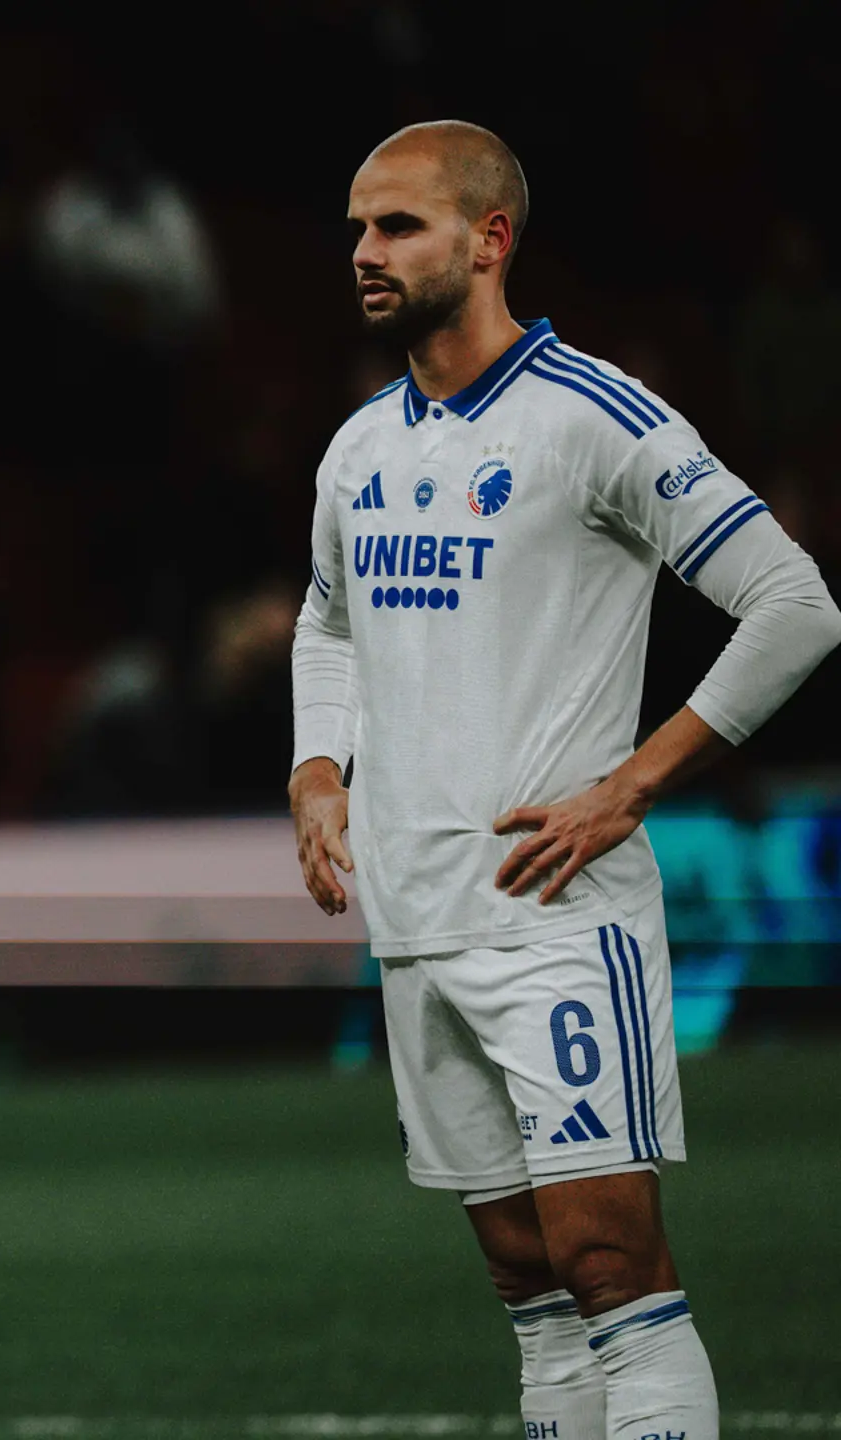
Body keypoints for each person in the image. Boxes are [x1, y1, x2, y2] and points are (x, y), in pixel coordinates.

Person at [288, 121, 841, 1440]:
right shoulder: (358, 447)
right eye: (357, 226)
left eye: (398, 225)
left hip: (554, 918)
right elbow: (328, 621)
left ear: (490, 239)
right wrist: (316, 768)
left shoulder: (594, 417)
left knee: (610, 1270)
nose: (365, 251)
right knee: (531, 1292)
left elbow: (794, 604)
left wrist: (633, 785)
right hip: (415, 921)